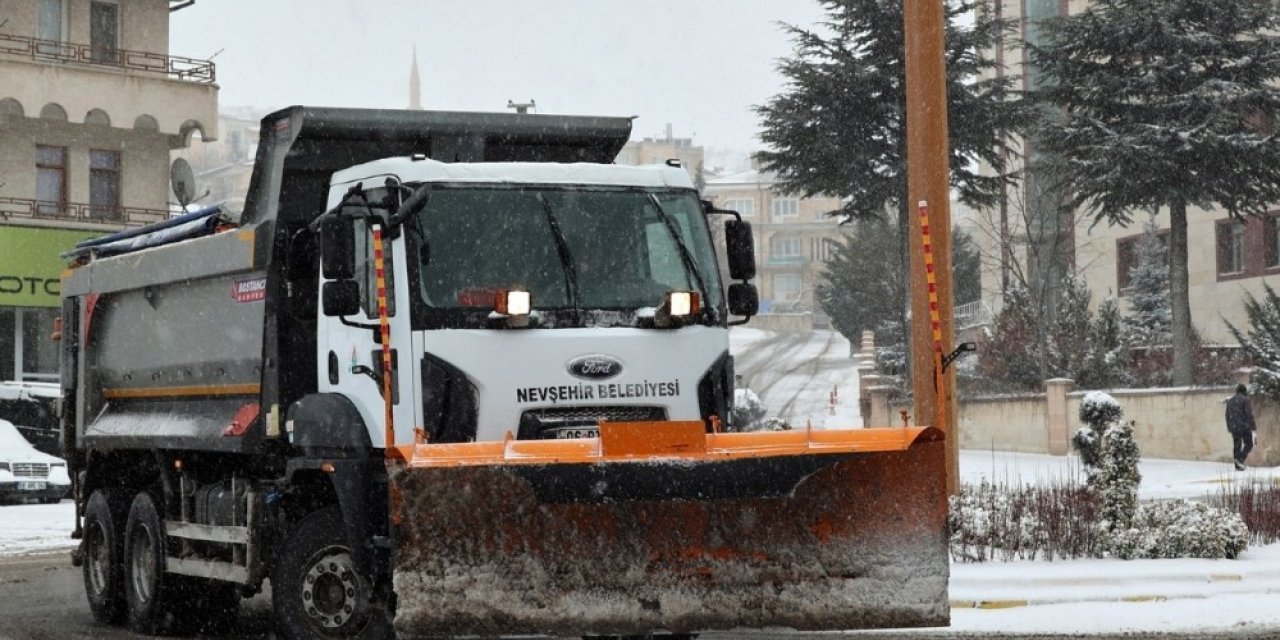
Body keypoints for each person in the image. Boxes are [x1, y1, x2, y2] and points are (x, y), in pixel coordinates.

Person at [1226, 384, 1258, 471]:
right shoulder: (1245, 400)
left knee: (1237, 446)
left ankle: (1238, 466)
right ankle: (1240, 459)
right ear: (1244, 391)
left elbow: (1227, 415)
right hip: (1244, 426)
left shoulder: (1230, 401)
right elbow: (1249, 415)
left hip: (1234, 427)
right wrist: (1253, 427)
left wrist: (1229, 427)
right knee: (1249, 444)